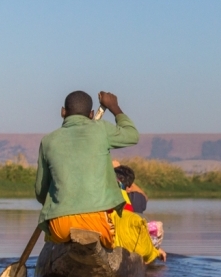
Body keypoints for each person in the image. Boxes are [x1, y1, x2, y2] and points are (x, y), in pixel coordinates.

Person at [35, 90, 166, 263]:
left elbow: (41, 193)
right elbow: (132, 136)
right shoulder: (101, 129)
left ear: (63, 112)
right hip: (97, 225)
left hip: (60, 227)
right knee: (110, 235)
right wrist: (114, 107)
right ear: (91, 115)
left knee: (54, 235)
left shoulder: (48, 141)